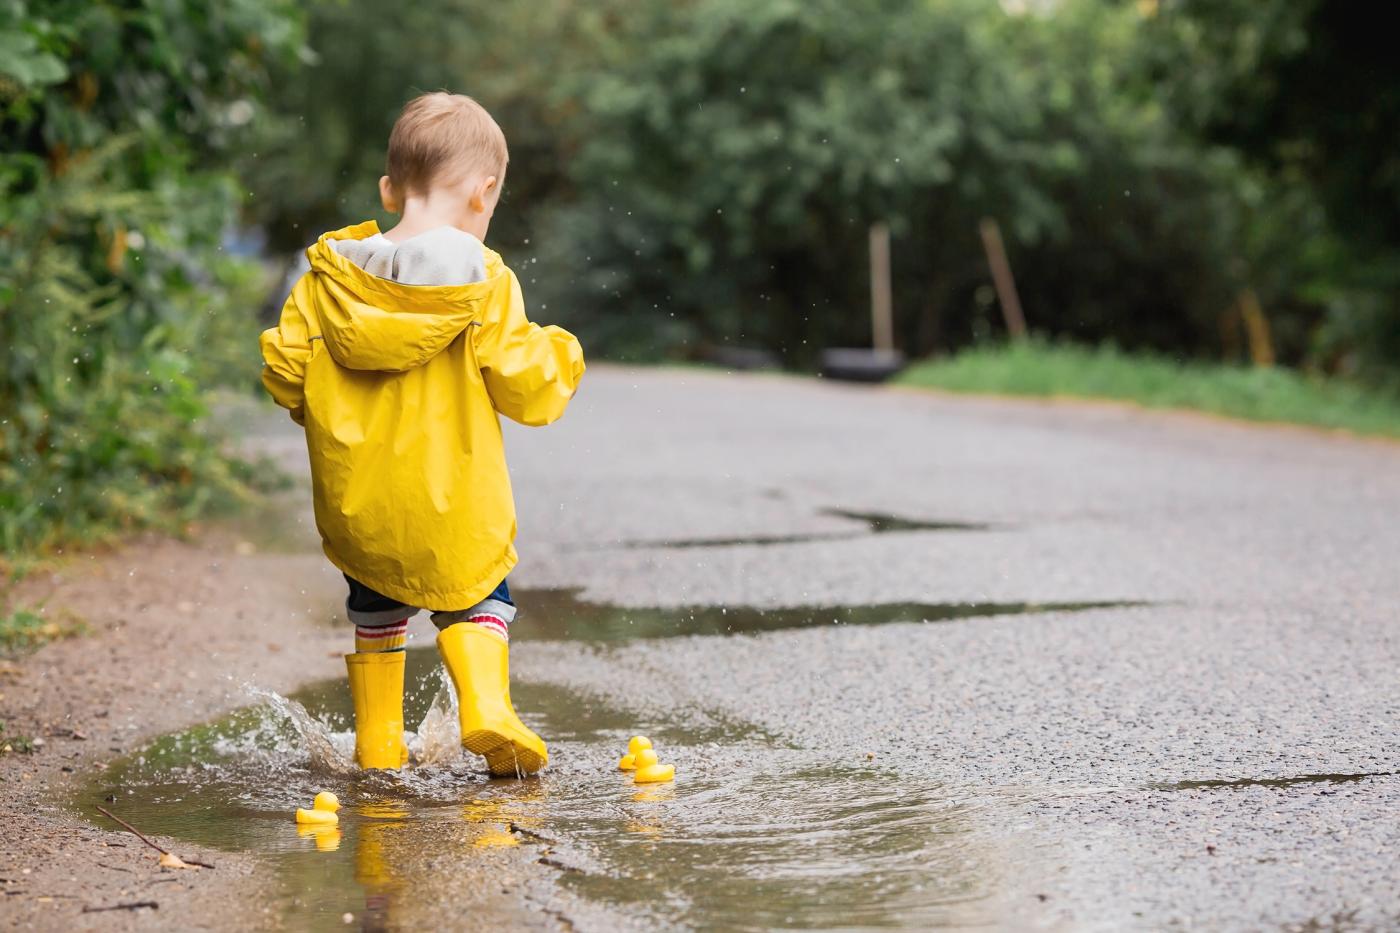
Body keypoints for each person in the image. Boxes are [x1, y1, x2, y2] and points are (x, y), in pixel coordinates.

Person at [259, 91, 585, 776]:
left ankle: (378, 744)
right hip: (457, 507)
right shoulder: (483, 280)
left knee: (375, 606)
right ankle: (488, 709)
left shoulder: (326, 281)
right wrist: (563, 353)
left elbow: (286, 371)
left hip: (360, 507)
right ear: (483, 192)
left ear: (389, 188)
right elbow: (525, 384)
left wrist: (327, 410)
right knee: (480, 597)